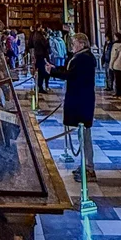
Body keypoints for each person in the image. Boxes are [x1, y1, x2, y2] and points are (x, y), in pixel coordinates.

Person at [48, 33, 97, 178]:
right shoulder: (82, 57)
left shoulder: (83, 58)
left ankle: (89, 167)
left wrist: (53, 71)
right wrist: (54, 68)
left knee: (85, 134)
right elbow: (69, 71)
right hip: (81, 99)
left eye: (74, 43)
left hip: (82, 100)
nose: (72, 46)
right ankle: (86, 165)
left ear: (82, 44)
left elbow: (70, 74)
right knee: (83, 135)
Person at [31, 26, 51, 93]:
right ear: (39, 28)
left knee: (40, 72)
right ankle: (42, 86)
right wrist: (47, 39)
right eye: (41, 28)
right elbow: (45, 45)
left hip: (38, 55)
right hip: (42, 56)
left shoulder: (35, 35)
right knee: (44, 72)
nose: (42, 29)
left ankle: (40, 86)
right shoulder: (40, 36)